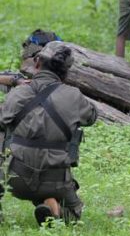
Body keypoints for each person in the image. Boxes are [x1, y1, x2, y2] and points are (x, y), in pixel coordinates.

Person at [0, 42, 97, 225]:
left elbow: (2, 121)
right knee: (73, 214)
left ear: (37, 63)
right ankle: (54, 207)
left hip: (16, 180)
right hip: (56, 181)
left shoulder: (18, 93)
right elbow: (91, 117)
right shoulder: (74, 95)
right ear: (66, 71)